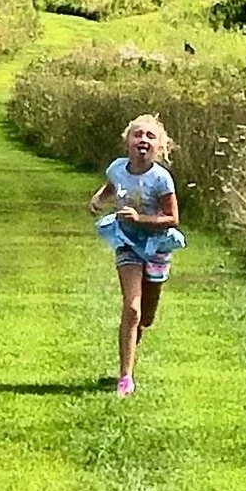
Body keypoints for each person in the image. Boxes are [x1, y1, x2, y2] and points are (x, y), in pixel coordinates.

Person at [88, 113, 185, 396]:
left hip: (156, 245)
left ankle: (132, 342)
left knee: (146, 317)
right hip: (127, 241)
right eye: (138, 135)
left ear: (160, 147)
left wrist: (141, 219)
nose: (143, 140)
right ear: (127, 142)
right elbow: (112, 186)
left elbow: (172, 218)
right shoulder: (117, 168)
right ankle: (125, 377)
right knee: (132, 308)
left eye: (150, 136)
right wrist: (99, 197)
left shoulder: (161, 179)